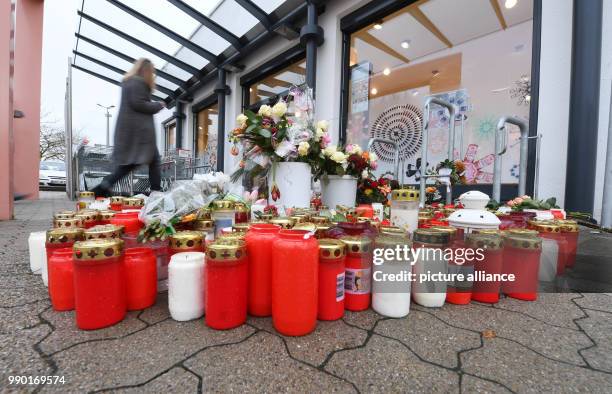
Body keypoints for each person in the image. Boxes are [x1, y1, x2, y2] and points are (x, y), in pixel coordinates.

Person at [92, 58, 165, 197]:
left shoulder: (130, 82)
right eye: (152, 72)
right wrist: (158, 105)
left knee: (141, 162)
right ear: (146, 70)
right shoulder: (137, 83)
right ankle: (156, 192)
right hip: (138, 135)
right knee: (140, 162)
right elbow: (139, 104)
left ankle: (105, 186)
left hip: (134, 134)